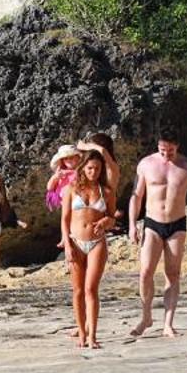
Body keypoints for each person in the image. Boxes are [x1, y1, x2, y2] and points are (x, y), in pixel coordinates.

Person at [128, 131, 187, 337]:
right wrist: (131, 225)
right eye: (162, 150)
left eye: (170, 150)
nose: (166, 154)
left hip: (177, 224)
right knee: (145, 271)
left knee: (172, 273)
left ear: (178, 146)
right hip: (152, 223)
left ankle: (168, 323)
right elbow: (136, 196)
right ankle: (146, 317)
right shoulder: (146, 164)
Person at [60, 146, 118, 348]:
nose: (94, 172)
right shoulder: (71, 189)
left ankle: (93, 336)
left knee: (91, 289)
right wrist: (67, 244)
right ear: (83, 168)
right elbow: (64, 219)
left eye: (98, 169)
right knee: (77, 291)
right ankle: (82, 335)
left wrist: (106, 222)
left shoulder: (107, 192)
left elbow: (112, 217)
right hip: (75, 242)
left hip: (96, 243)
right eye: (91, 168)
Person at [45, 144, 80, 212]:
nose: (68, 160)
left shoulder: (81, 171)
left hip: (78, 199)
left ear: (78, 158)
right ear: (62, 161)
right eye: (65, 159)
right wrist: (55, 177)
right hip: (64, 200)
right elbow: (49, 187)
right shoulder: (61, 172)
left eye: (71, 157)